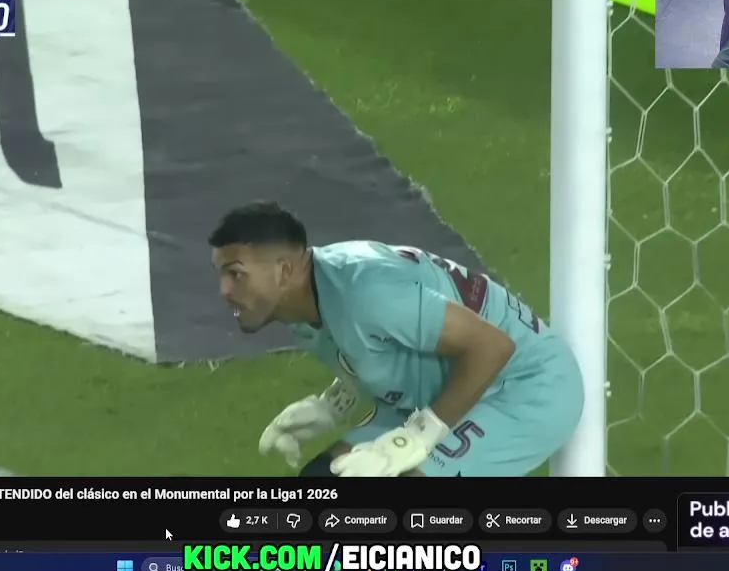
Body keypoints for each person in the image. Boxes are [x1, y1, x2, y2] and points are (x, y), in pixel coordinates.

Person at [207, 201, 584, 477]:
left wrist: (417, 438)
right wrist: (334, 404)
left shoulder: (367, 293)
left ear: (284, 270)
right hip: (435, 392)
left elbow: (492, 346)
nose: (223, 290)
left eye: (235, 274)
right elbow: (372, 344)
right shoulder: (305, 300)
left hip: (522, 388)